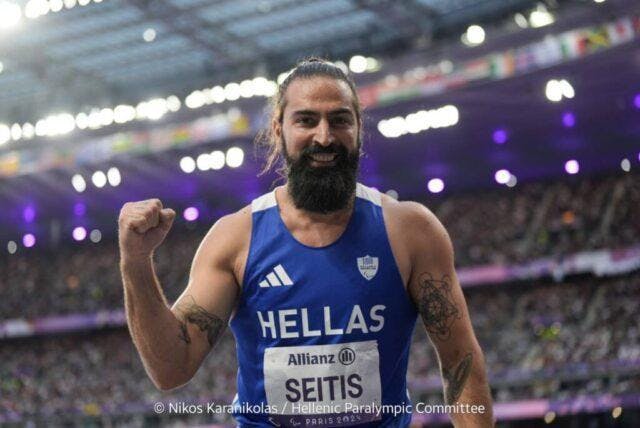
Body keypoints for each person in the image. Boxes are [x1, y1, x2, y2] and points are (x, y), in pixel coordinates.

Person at [119, 58, 493, 427]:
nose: (324, 137)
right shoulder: (235, 239)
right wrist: (136, 262)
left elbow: (461, 360)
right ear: (278, 129)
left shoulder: (411, 230)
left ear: (358, 129)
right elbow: (171, 368)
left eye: (340, 120)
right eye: (306, 120)